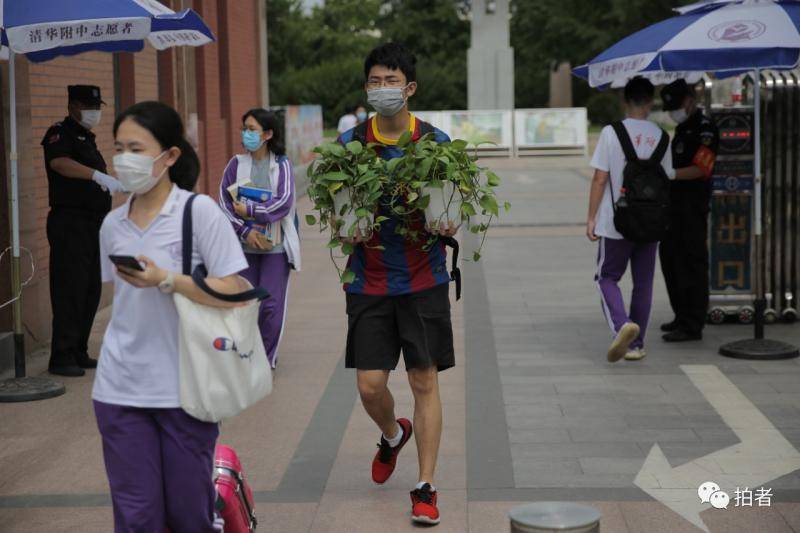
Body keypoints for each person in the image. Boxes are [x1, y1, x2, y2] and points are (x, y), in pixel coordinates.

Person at [93, 101, 249, 531]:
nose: (125, 158)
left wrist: (168, 280)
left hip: (186, 390)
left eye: (136, 149)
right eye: (119, 147)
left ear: (170, 156)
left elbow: (237, 291)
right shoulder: (112, 225)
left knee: (188, 516)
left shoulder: (197, 213)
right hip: (120, 389)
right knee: (136, 517)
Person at [337, 42, 456, 526]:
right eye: (375, 81)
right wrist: (347, 226)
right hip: (369, 278)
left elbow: (448, 211)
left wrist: (447, 222)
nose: (382, 89)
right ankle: (391, 434)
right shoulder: (349, 144)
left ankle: (425, 486)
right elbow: (340, 214)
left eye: (391, 81)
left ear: (410, 88)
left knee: (423, 379)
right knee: (369, 387)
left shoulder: (434, 142)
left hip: (424, 276)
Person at [586, 78, 675, 362]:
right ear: (650, 102)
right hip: (651, 223)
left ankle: (622, 325)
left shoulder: (612, 133)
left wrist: (591, 218)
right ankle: (636, 344)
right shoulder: (662, 137)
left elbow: (600, 178)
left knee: (606, 277)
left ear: (625, 102)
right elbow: (668, 179)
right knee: (644, 282)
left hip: (616, 222)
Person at [43, 85, 125, 377]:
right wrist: (97, 175)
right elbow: (60, 163)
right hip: (70, 223)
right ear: (73, 105)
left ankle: (78, 349)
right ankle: (61, 356)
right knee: (70, 288)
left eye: (97, 105)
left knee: (90, 288)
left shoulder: (86, 137)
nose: (95, 112)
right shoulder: (60, 133)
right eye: (89, 106)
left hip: (93, 223)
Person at [219, 108, 301, 369]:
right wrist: (245, 230)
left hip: (275, 249)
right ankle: (247, 356)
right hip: (244, 248)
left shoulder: (282, 164)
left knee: (270, 306)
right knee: (245, 304)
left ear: (267, 134)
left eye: (252, 129)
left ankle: (266, 360)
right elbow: (224, 203)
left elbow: (285, 203)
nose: (246, 134)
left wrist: (252, 210)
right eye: (244, 128)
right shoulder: (236, 164)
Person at [659, 79, 719, 342]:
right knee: (670, 260)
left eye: (675, 105)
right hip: (673, 207)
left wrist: (671, 175)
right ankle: (680, 314)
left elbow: (702, 168)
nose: (673, 111)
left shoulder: (705, 129)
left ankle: (693, 323)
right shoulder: (682, 128)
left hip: (693, 208)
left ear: (689, 101)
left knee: (691, 263)